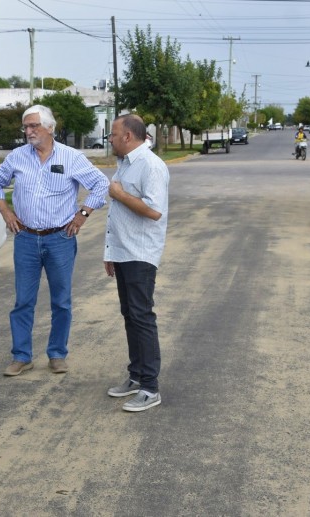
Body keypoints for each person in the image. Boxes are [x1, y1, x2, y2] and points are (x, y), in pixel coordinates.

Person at [0, 105, 110, 376]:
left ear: (50, 128)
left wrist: (83, 214)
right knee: (23, 301)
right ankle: (21, 356)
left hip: (60, 239)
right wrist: (5, 211)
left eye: (33, 126)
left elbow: (101, 184)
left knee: (61, 300)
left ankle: (57, 353)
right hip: (27, 238)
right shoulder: (17, 157)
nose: (28, 132)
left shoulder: (71, 157)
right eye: (26, 127)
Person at [104, 114, 170, 412]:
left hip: (141, 253)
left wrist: (119, 194)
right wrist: (110, 252)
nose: (110, 139)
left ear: (128, 137)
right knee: (130, 314)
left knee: (142, 316)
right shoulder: (126, 164)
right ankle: (136, 375)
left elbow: (155, 211)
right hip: (123, 251)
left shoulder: (151, 165)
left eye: (113, 134)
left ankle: (150, 387)